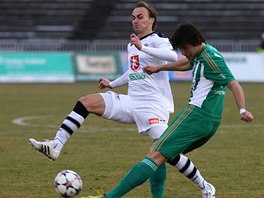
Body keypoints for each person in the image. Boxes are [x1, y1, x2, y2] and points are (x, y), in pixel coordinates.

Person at [29, 2, 214, 197]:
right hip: (131, 102)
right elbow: (132, 72)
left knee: (165, 152)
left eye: (140, 17)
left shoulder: (158, 40)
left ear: (152, 20)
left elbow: (171, 55)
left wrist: (143, 47)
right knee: (86, 102)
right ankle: (56, 145)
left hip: (153, 106)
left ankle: (205, 187)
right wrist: (112, 84)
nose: (136, 20)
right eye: (133, 17)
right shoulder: (132, 44)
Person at [84, 22, 254, 198]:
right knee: (159, 152)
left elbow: (234, 84)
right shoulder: (203, 53)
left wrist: (242, 110)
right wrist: (160, 67)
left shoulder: (211, 59)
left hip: (195, 116)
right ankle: (202, 188)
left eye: (184, 49)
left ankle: (110, 197)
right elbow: (186, 64)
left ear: (193, 42)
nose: (183, 53)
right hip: (209, 122)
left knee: (155, 154)